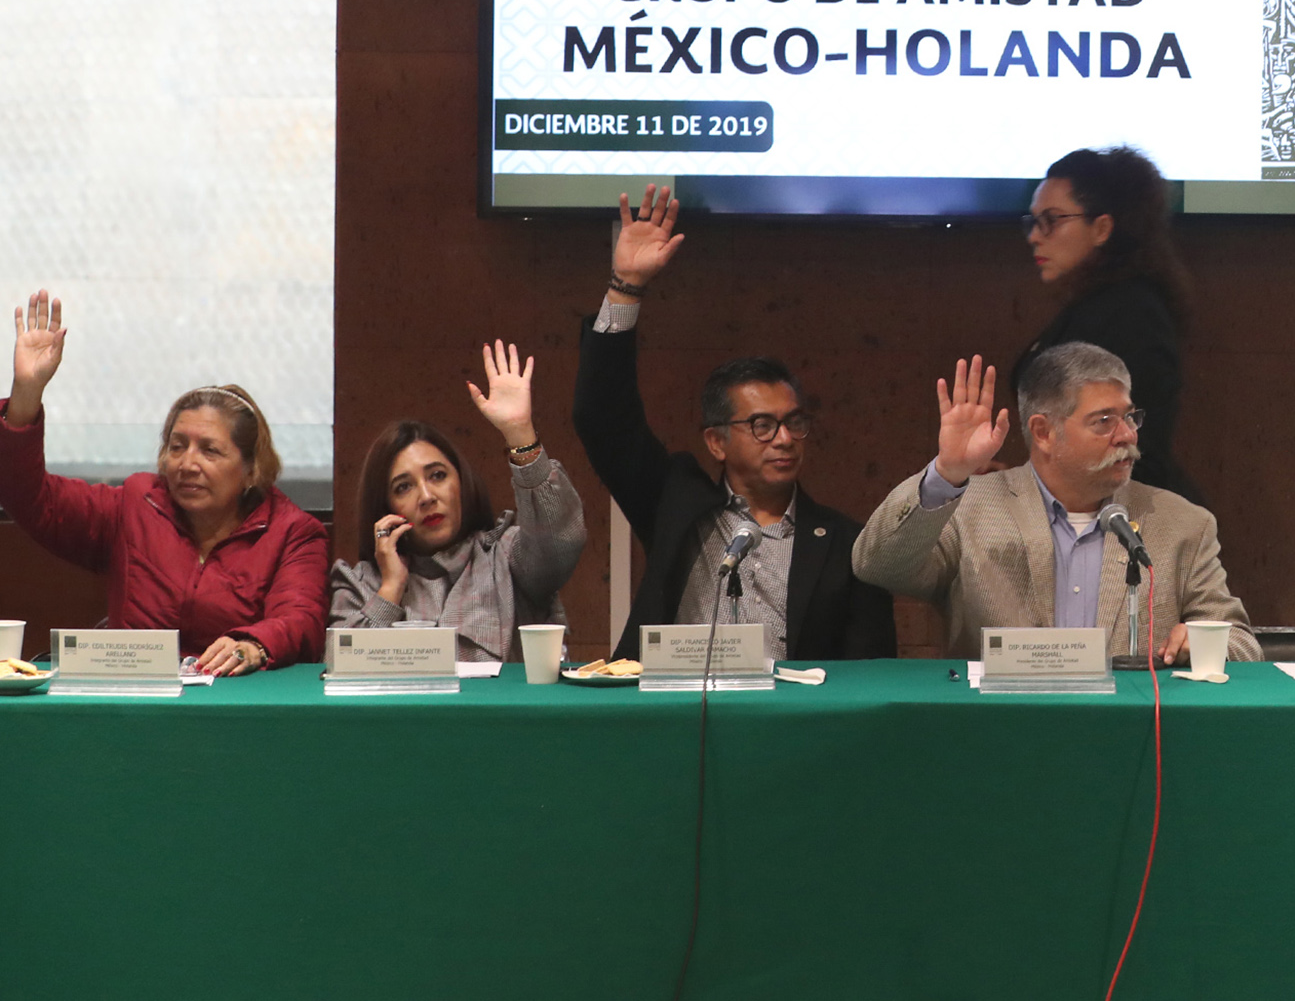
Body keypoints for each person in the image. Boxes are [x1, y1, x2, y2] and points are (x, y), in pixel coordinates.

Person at [576, 186, 897, 662]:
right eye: (762, 425)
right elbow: (604, 417)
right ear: (717, 441)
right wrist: (626, 286)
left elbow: (867, 679)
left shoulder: (846, 546)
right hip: (680, 704)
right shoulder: (677, 508)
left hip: (792, 710)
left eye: (794, 422)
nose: (785, 439)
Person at [852, 342, 1261, 666]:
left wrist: (1202, 644)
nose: (1127, 435)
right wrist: (945, 474)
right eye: (1104, 421)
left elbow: (1243, 643)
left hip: (1128, 735)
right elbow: (878, 566)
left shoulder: (1183, 523)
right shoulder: (969, 508)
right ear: (1043, 432)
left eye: (1129, 417)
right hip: (999, 731)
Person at [0, 290, 326, 672]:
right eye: (177, 446)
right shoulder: (136, 503)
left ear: (251, 468)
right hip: (136, 694)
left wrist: (253, 645)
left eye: (210, 451)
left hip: (236, 695)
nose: (187, 464)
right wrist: (27, 393)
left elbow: (301, 619)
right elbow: (30, 497)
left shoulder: (293, 533)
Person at [330, 341, 587, 662]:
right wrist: (391, 588)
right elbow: (340, 666)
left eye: (437, 476)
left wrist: (521, 435)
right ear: (386, 507)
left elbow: (561, 541)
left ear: (461, 483)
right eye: (403, 487)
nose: (427, 497)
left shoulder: (507, 558)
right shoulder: (361, 583)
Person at [1012, 146, 1202, 503]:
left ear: (1101, 228)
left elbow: (1133, 455)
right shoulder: (1095, 305)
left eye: (1051, 220)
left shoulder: (1132, 315)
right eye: (1033, 221)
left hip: (1120, 524)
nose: (1034, 235)